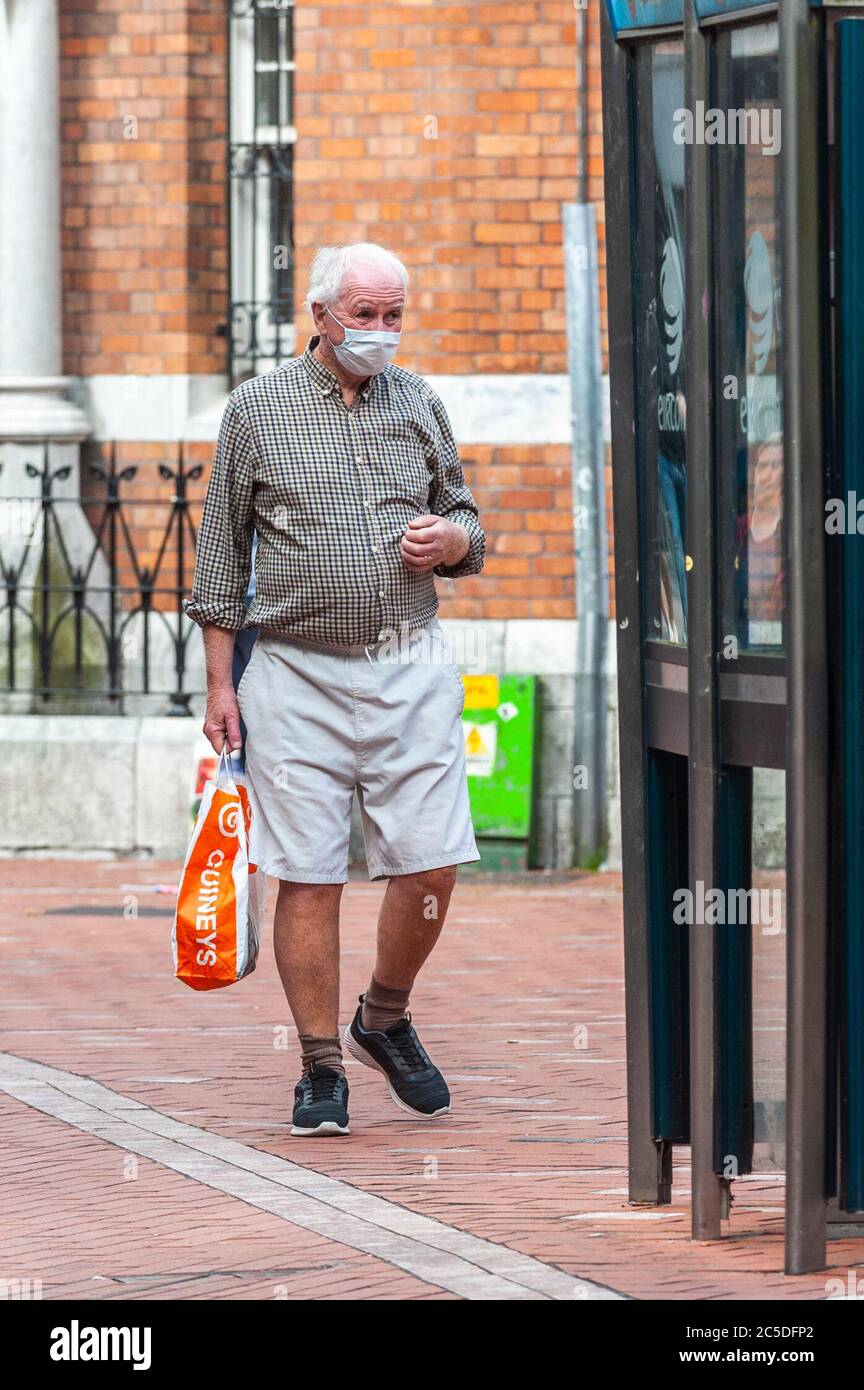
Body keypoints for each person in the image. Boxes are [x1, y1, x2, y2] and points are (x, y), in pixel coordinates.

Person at [186, 242, 485, 1137]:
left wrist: (454, 544)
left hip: (409, 660)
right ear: (320, 314)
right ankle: (320, 1066)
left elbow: (466, 514)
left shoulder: (420, 401)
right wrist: (219, 686)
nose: (382, 333)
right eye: (366, 315)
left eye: (395, 316)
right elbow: (217, 558)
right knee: (307, 872)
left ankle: (382, 1018)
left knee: (432, 860)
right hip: (294, 669)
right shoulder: (258, 409)